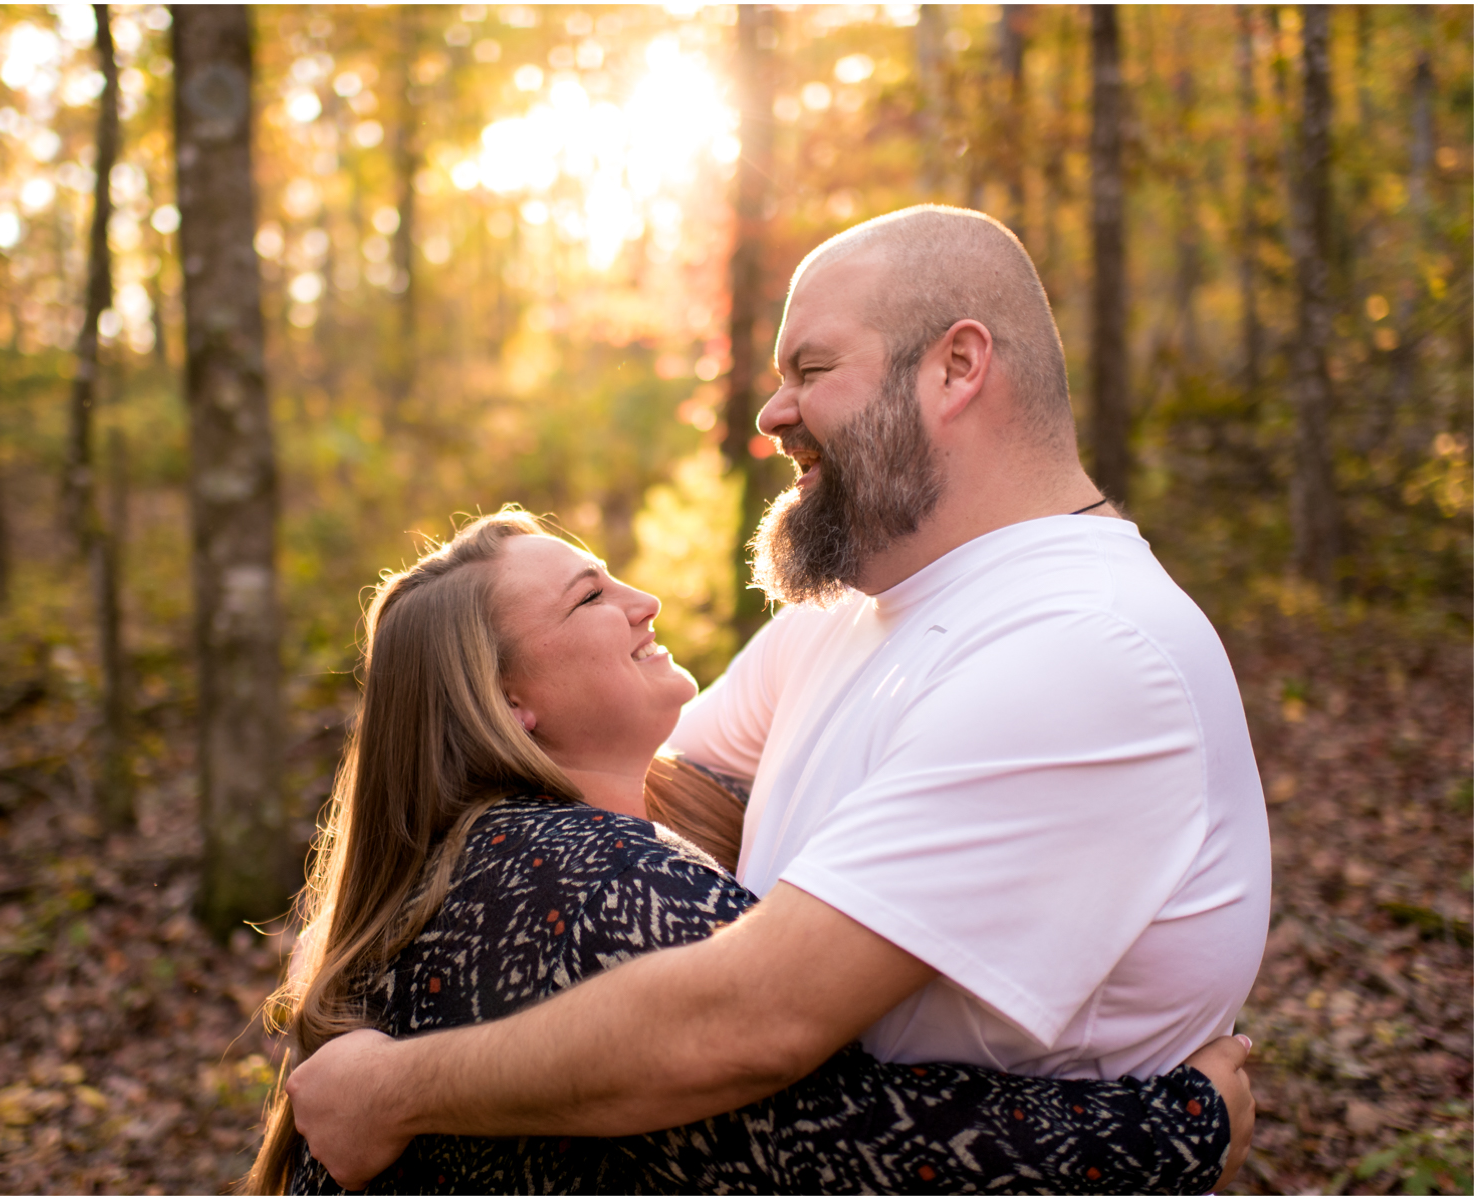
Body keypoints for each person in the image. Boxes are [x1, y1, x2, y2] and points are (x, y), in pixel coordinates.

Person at [282, 205, 1275, 1188]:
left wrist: (398, 1087)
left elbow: (749, 1023)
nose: (770, 413)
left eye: (810, 369)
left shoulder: (1084, 648)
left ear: (956, 368)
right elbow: (612, 803)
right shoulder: (841, 620)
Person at [240, 511, 1249, 1193]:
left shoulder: (498, 856)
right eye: (590, 597)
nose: (644, 601)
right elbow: (866, 1148)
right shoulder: (571, 880)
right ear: (510, 704)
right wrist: (1186, 1122)